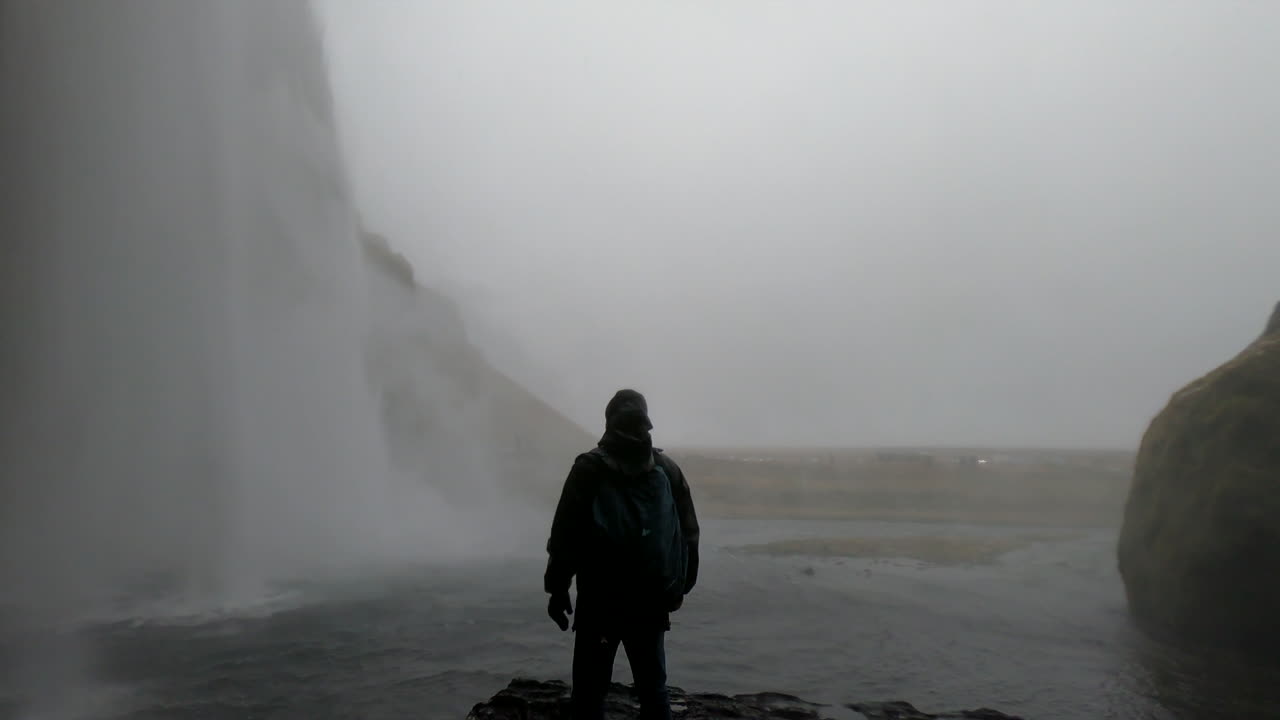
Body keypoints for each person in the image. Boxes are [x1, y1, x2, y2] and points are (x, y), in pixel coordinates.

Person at [544, 389, 700, 720]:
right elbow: (688, 533)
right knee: (654, 690)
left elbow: (565, 535)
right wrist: (679, 585)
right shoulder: (667, 469)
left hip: (599, 602)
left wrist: (557, 588)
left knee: (589, 692)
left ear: (608, 420)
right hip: (650, 602)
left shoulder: (588, 468)